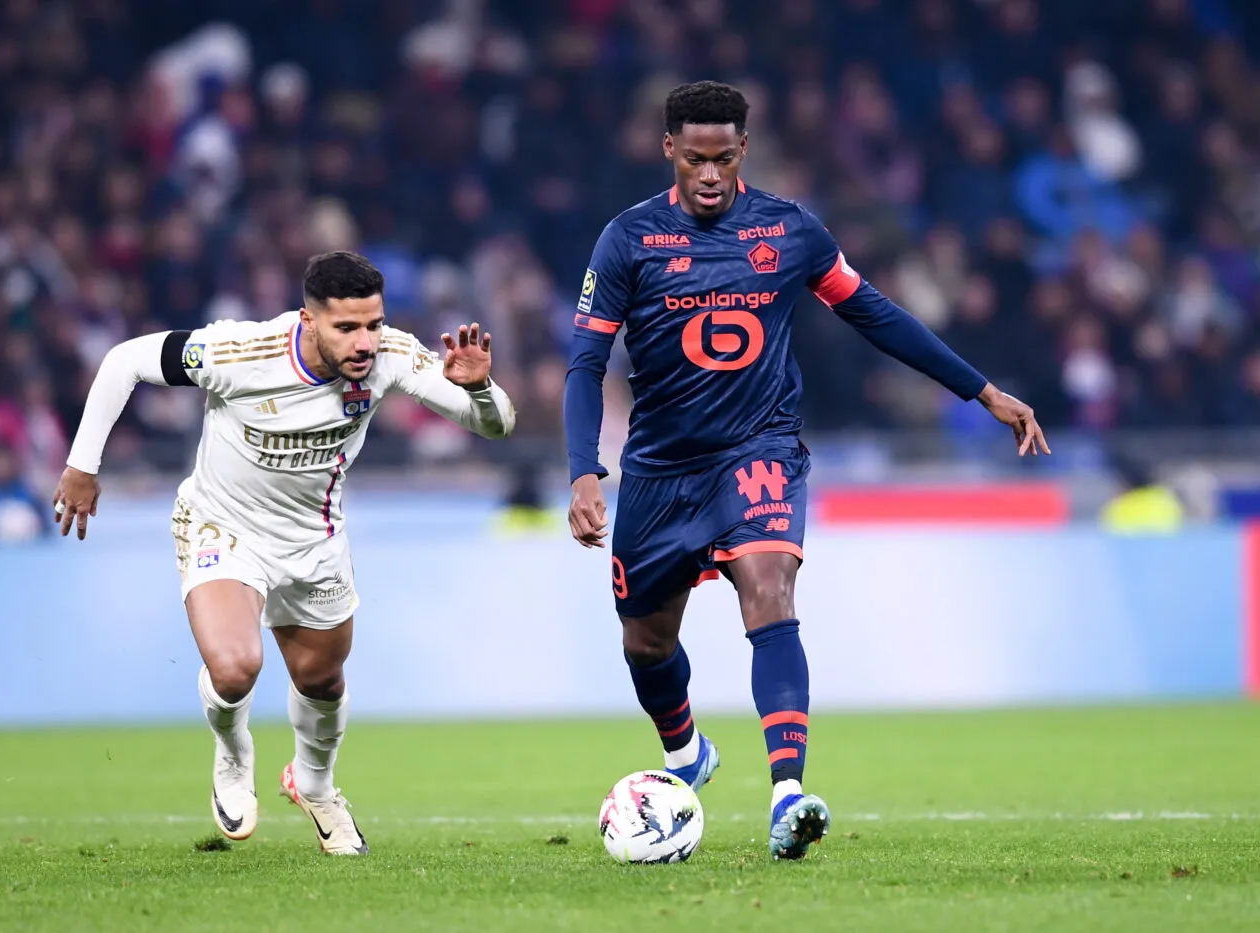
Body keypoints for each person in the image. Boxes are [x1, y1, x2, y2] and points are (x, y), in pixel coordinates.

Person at [563, 82, 1049, 861]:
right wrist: (585, 471)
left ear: (744, 150)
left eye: (724, 157)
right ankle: (685, 751)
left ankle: (788, 793)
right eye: (695, 159)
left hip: (760, 449)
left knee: (769, 586)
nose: (711, 174)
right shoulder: (628, 240)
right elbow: (587, 361)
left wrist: (983, 390)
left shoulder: (790, 231)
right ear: (668, 153)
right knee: (646, 644)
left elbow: (876, 313)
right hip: (658, 469)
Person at [53, 251, 516, 855]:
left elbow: (496, 425)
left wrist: (479, 388)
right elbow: (124, 362)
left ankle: (315, 785)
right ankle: (233, 752)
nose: (364, 342)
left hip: (314, 539)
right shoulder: (238, 354)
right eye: (346, 328)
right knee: (235, 667)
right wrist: (82, 466)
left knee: (322, 679)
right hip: (225, 525)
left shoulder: (392, 357)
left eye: (373, 324)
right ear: (308, 320)